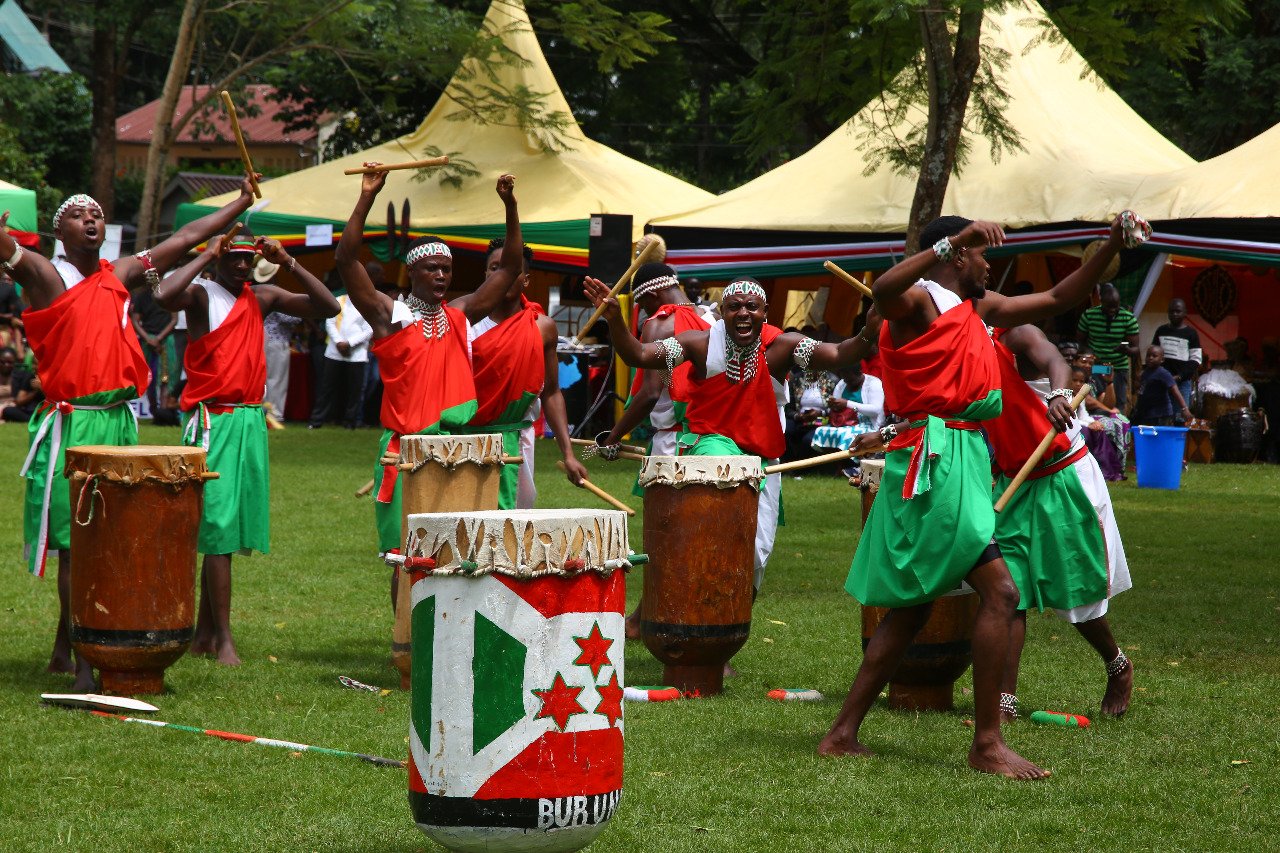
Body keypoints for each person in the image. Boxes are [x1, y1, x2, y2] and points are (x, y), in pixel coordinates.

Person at [817, 212, 1130, 779]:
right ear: (958, 255)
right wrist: (952, 240)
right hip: (933, 461)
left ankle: (841, 733)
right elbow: (885, 287)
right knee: (1002, 592)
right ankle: (987, 744)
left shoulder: (977, 309)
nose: (991, 264)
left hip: (957, 457)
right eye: (983, 254)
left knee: (911, 611)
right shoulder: (916, 301)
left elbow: (1061, 295)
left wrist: (1110, 242)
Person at [1, 180, 257, 690]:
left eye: (97, 212)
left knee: (110, 537)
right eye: (78, 214)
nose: (92, 219)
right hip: (74, 422)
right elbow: (7, 250)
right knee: (77, 542)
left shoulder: (117, 275)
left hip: (120, 421)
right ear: (59, 230)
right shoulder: (46, 275)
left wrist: (241, 203)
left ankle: (68, 644)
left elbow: (185, 236)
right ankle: (80, 658)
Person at [586, 275, 878, 594]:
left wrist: (868, 331)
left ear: (765, 312)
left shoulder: (783, 347)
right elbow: (640, 356)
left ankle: (725, 623)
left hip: (763, 462)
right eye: (734, 307)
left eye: (751, 307)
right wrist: (615, 320)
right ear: (721, 311)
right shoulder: (698, 344)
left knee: (754, 558)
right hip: (711, 453)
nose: (743, 313)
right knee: (707, 544)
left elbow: (839, 355)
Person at [334, 164, 522, 592]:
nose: (441, 275)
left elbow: (510, 268)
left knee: (455, 554)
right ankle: (406, 650)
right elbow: (346, 259)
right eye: (432, 268)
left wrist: (510, 206)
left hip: (457, 449)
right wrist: (367, 195)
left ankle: (438, 649)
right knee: (407, 556)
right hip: (407, 448)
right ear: (413, 273)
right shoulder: (390, 317)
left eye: (447, 269)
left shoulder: (459, 316)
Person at [155, 235, 339, 665]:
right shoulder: (201, 295)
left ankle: (204, 635)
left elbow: (329, 307)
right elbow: (164, 295)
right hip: (212, 421)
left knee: (229, 528)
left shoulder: (262, 297)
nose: (241, 266)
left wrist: (288, 261)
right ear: (221, 259)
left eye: (247, 259)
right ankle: (223, 638)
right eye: (233, 258)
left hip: (251, 419)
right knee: (217, 527)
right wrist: (205, 252)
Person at [982, 324, 1134, 720]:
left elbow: (1051, 355)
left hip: (1062, 474)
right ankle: (1004, 703)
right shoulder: (952, 349)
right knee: (1008, 591)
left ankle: (1117, 665)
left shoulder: (1006, 333)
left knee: (1076, 595)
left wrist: (1059, 393)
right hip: (1013, 483)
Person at [470, 238, 587, 509]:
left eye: (511, 269)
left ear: (525, 279)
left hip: (517, 438)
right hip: (468, 438)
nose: (503, 275)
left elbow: (552, 391)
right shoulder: (465, 321)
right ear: (486, 275)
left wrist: (568, 454)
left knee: (514, 525)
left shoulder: (542, 327)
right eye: (495, 268)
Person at [596, 263, 711, 461]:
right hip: (711, 441)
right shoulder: (713, 318)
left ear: (653, 295)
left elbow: (650, 393)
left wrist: (613, 437)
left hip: (673, 444)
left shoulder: (660, 325)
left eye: (642, 304)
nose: (645, 312)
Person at [309, 290, 372, 429]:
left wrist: (349, 343)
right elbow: (329, 323)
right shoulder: (338, 300)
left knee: (354, 390)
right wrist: (339, 342)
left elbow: (369, 330)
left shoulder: (366, 303)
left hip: (356, 353)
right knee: (326, 387)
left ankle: (350, 422)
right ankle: (316, 420)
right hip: (334, 350)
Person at [1076, 283, 1140, 411]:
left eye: (1115, 307)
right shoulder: (1089, 315)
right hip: (1097, 366)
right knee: (1096, 401)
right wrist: (1090, 358)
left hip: (1118, 367)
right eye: (1108, 307)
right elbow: (1080, 342)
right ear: (1101, 302)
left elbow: (1136, 349)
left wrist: (1125, 350)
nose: (1112, 310)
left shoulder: (1128, 318)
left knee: (1119, 404)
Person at [129, 288, 178, 416]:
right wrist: (147, 338)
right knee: (148, 376)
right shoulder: (142, 296)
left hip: (166, 340)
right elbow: (135, 319)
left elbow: (174, 319)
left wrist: (159, 338)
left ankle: (164, 411)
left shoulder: (169, 293)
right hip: (147, 340)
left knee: (165, 377)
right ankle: (153, 410)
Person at [1151, 298, 1201, 409]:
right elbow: (1153, 353)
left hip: (1182, 383)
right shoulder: (1161, 330)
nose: (1174, 314)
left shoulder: (1191, 333)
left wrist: (1179, 376)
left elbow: (1196, 359)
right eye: (1171, 311)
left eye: (1178, 311)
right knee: (1161, 415)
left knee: (1180, 417)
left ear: (1185, 313)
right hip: (1161, 382)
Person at [1132, 344, 1191, 426]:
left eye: (1154, 356)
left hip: (1161, 414)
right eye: (1148, 356)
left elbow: (1175, 390)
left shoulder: (1163, 373)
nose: (1150, 358)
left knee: (1159, 436)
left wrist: (1184, 408)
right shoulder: (1145, 372)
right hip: (1147, 413)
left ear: (1162, 360)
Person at [2, 346, 42, 422]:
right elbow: (19, 400)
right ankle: (32, 420)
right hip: (30, 410)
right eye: (33, 363)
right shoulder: (30, 377)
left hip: (44, 410)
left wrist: (41, 388)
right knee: (8, 410)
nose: (34, 367)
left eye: (36, 364)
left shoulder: (51, 378)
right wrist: (35, 392)